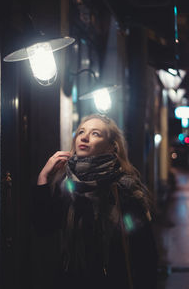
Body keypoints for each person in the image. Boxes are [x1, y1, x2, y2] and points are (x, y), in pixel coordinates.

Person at [32, 114, 158, 289]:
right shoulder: (67, 185)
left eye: (95, 133)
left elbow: (144, 251)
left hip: (112, 281)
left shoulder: (123, 189)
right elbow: (44, 226)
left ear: (111, 147)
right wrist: (43, 177)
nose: (84, 137)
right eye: (81, 132)